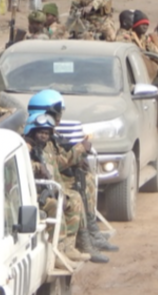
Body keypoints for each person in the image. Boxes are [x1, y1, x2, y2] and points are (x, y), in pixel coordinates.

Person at [27, 90, 114, 258]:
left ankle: (87, 234)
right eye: (55, 113)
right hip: (43, 188)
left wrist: (78, 156)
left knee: (84, 177)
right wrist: (80, 149)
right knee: (73, 196)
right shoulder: (31, 140)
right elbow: (51, 163)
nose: (59, 117)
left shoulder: (48, 137)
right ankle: (80, 241)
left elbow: (56, 160)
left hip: (54, 181)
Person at [24, 112, 90, 266]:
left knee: (74, 198)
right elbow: (24, 166)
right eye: (41, 133)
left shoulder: (47, 147)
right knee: (55, 205)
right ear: (32, 132)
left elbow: (59, 163)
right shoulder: (26, 148)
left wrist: (79, 153)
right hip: (33, 195)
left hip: (51, 189)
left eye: (47, 133)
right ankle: (58, 251)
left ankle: (68, 247)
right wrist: (37, 166)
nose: (44, 136)